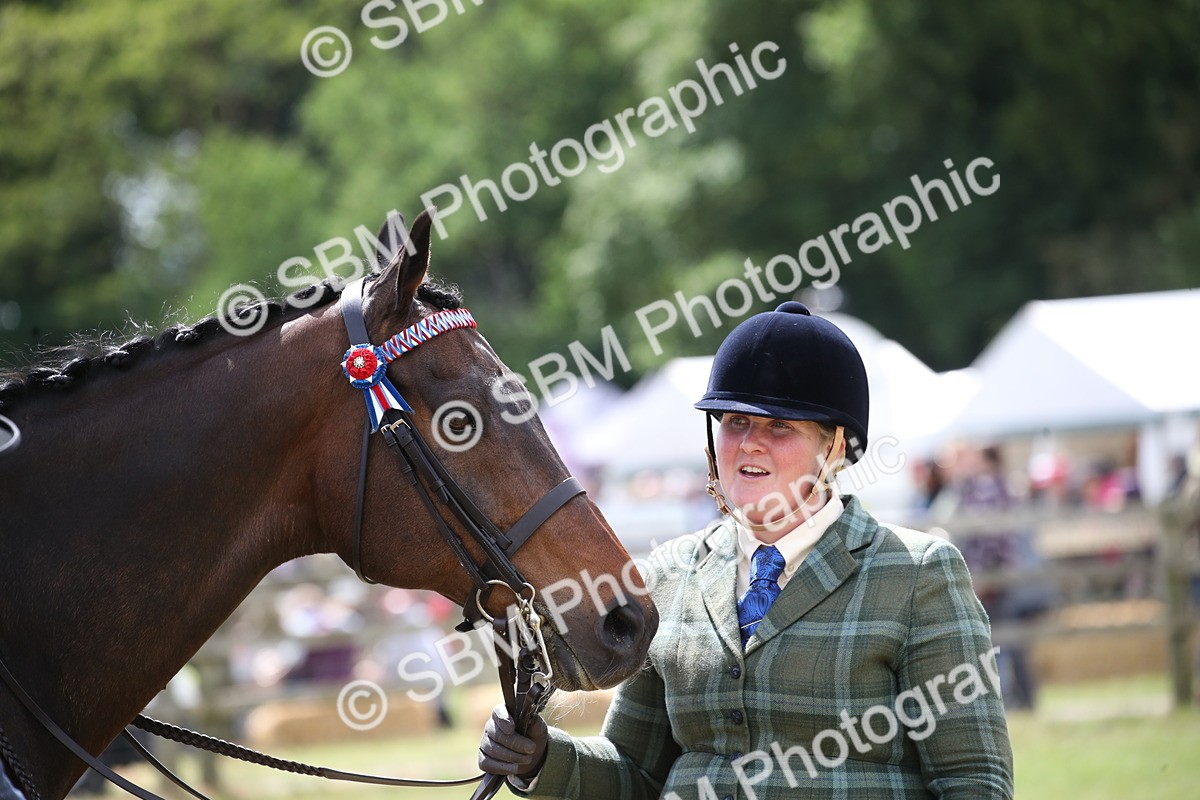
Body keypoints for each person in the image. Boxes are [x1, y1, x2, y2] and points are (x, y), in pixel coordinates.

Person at [479, 302, 1014, 799]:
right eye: (735, 422)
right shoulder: (667, 575)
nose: (750, 443)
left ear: (835, 446)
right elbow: (635, 771)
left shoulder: (918, 576)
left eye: (779, 426)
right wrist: (543, 759)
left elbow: (973, 779)